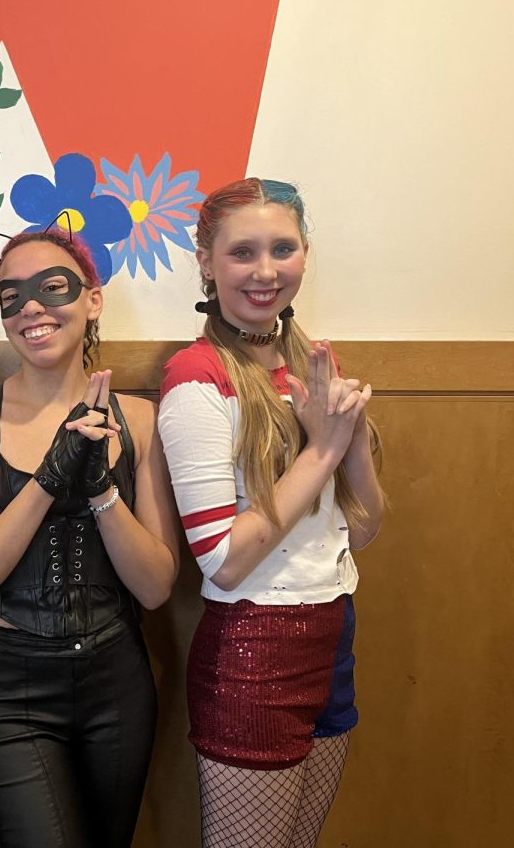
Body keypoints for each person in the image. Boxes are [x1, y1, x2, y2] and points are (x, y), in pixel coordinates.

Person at [0, 228, 181, 848]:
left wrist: (100, 491)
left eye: (52, 288)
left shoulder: (138, 420)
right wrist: (48, 478)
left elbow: (155, 587)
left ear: (92, 300)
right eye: (11, 296)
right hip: (10, 686)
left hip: (116, 678)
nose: (32, 308)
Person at [157, 178, 386, 847]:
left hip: (332, 632)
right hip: (255, 646)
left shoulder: (312, 367)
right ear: (206, 261)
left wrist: (348, 436)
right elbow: (225, 562)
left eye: (282, 249)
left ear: (305, 255)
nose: (265, 271)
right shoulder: (195, 379)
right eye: (242, 252)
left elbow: (364, 530)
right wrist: (324, 447)